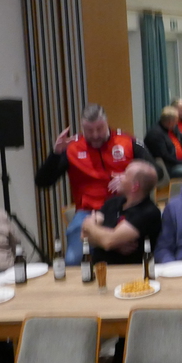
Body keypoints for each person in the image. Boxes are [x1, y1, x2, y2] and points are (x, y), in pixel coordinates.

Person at [35, 103, 160, 264]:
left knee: (135, 251)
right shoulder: (72, 148)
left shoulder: (127, 142)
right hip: (88, 212)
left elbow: (156, 172)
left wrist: (128, 177)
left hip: (124, 209)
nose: (95, 135)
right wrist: (55, 154)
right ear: (82, 128)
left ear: (107, 123)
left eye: (100, 129)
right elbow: (42, 182)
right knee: (74, 260)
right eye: (89, 130)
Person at [81, 160, 161, 265]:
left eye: (125, 174)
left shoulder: (148, 212)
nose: (119, 177)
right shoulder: (113, 202)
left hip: (126, 270)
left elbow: (108, 241)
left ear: (135, 187)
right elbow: (84, 236)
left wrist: (90, 225)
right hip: (98, 267)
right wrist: (114, 244)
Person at [144, 105, 182, 178]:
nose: (177, 123)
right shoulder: (155, 134)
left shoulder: (171, 130)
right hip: (168, 168)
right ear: (170, 122)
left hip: (179, 161)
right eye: (176, 121)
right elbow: (164, 157)